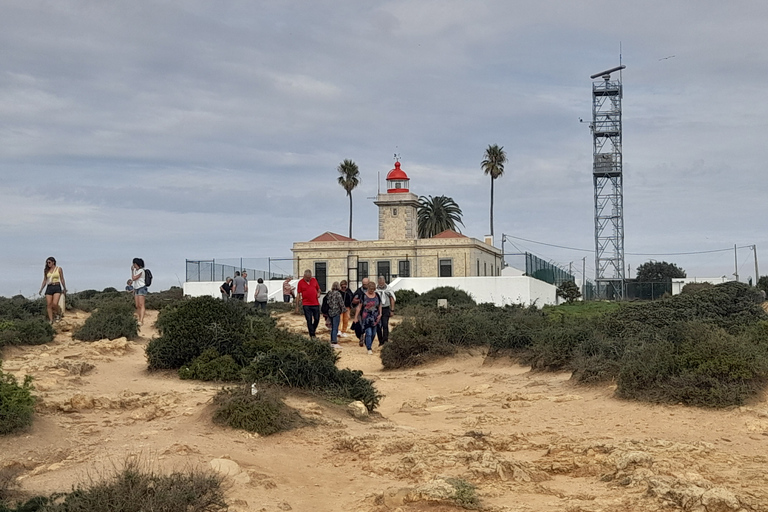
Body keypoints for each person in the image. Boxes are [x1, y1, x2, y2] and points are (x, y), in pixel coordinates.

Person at [353, 281, 382, 355]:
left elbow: (379, 305)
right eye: (370, 289)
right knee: (368, 332)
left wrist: (380, 314)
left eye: (373, 290)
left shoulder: (377, 296)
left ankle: (367, 342)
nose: (371, 291)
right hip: (366, 317)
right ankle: (369, 348)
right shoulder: (363, 296)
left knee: (373, 333)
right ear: (368, 288)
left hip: (375, 317)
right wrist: (356, 317)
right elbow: (359, 307)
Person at [38, 257, 67, 323]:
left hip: (57, 286)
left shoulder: (59, 269)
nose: (48, 264)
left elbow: (62, 279)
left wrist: (64, 288)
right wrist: (41, 289)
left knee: (54, 303)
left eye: (49, 262)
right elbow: (45, 280)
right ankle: (51, 320)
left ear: (53, 262)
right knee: (49, 305)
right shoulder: (46, 270)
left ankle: (57, 314)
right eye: (47, 263)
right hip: (49, 287)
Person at [296, 269, 321, 338]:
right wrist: (297, 306)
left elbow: (319, 289)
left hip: (315, 303)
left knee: (317, 319)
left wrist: (318, 293)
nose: (308, 279)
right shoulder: (300, 282)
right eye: (307, 278)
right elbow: (298, 294)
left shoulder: (314, 280)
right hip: (306, 304)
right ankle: (312, 335)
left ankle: (312, 330)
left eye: (309, 277)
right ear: (304, 276)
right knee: (309, 319)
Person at [376, 276, 396, 346]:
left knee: (385, 324)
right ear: (378, 281)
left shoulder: (388, 289)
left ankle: (385, 340)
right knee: (378, 326)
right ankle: (380, 341)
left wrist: (392, 310)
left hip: (386, 308)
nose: (381, 283)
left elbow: (392, 299)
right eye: (380, 281)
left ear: (384, 281)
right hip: (377, 309)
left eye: (382, 281)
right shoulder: (375, 289)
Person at [326, 282, 345, 349]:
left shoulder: (329, 293)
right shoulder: (338, 294)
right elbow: (341, 303)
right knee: (335, 327)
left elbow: (327, 302)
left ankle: (331, 340)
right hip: (336, 312)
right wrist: (344, 310)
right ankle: (334, 342)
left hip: (330, 312)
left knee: (332, 327)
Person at [129, 258, 147, 325]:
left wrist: (132, 271)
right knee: (137, 305)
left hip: (141, 288)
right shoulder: (136, 271)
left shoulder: (141, 271)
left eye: (134, 264)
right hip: (136, 288)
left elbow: (134, 278)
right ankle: (140, 319)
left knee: (141, 304)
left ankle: (141, 320)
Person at [351, 277, 369, 343]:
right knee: (359, 325)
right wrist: (361, 300)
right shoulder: (359, 291)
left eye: (366, 284)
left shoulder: (372, 290)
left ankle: (367, 337)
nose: (365, 286)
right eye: (363, 284)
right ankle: (361, 336)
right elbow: (354, 300)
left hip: (369, 311)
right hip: (360, 311)